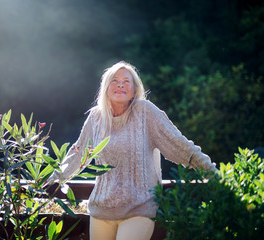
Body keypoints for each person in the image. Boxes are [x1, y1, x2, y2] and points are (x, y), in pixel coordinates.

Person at [49, 61, 217, 240]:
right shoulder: (96, 118)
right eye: (114, 80)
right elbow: (78, 153)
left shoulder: (145, 113)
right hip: (101, 211)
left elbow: (178, 145)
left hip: (138, 210)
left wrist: (211, 171)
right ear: (106, 88)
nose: (120, 84)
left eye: (126, 81)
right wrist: (50, 179)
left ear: (135, 91)